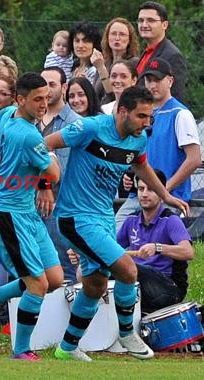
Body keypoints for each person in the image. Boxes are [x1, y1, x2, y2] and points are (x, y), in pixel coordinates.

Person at [46, 86, 189, 362]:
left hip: (103, 219)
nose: (147, 123)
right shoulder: (89, 128)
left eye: (150, 118)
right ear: (122, 111)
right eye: (141, 116)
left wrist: (166, 195)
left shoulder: (138, 140)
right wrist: (43, 185)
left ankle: (67, 347)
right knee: (127, 269)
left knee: (96, 285)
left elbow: (141, 166)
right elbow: (45, 144)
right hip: (75, 217)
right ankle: (126, 333)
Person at [0, 73, 63, 361]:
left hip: (27, 212)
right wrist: (53, 156)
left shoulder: (7, 113)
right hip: (8, 215)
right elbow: (54, 174)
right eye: (37, 99)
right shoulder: (27, 134)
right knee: (37, 285)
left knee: (54, 279)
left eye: (46, 98)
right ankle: (21, 350)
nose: (43, 104)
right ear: (20, 99)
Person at [115, 58, 200, 230]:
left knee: (152, 249)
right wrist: (129, 174)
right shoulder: (144, 113)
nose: (152, 85)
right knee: (112, 236)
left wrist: (163, 189)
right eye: (149, 80)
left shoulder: (180, 114)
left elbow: (194, 159)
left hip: (170, 197)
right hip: (138, 196)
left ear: (170, 81)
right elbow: (138, 155)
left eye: (157, 80)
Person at [117, 170, 194, 313]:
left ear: (161, 192)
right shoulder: (130, 220)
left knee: (130, 268)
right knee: (106, 266)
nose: (144, 194)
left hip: (169, 288)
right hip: (138, 284)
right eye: (141, 189)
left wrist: (158, 248)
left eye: (151, 189)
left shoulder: (171, 220)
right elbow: (112, 249)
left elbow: (188, 252)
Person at [39, 66, 82, 283]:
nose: (46, 90)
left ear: (64, 87)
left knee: (65, 267)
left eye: (52, 84)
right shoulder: (31, 120)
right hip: (31, 204)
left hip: (60, 206)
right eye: (43, 84)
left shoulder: (74, 123)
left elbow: (66, 170)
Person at [137, 1, 187, 102]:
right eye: (141, 20)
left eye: (150, 20)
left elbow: (175, 96)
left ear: (164, 25)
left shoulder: (173, 56)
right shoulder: (146, 52)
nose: (144, 25)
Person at [97, 18, 139, 99]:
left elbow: (113, 97)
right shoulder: (104, 62)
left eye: (122, 34)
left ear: (129, 39)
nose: (117, 38)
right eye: (113, 33)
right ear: (107, 37)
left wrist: (101, 69)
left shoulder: (134, 63)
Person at [69, 22, 102, 86]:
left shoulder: (98, 70)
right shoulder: (69, 65)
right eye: (77, 41)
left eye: (86, 41)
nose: (80, 45)